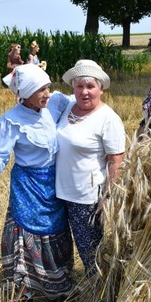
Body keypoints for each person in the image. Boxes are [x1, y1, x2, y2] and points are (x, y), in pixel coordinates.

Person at [0, 64, 75, 302]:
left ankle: (57, 288)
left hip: (54, 184)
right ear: (26, 94)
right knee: (23, 236)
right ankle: (24, 297)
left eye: (48, 87)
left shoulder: (54, 104)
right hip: (27, 186)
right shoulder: (11, 120)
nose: (48, 93)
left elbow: (79, 100)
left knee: (55, 231)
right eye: (41, 89)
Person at [56, 60, 126, 277]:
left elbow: (116, 160)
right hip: (57, 192)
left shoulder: (108, 119)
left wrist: (107, 196)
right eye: (79, 86)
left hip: (86, 197)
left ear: (101, 88)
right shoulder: (67, 106)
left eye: (90, 86)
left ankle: (98, 298)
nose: (84, 92)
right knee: (61, 247)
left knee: (90, 254)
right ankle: (64, 288)